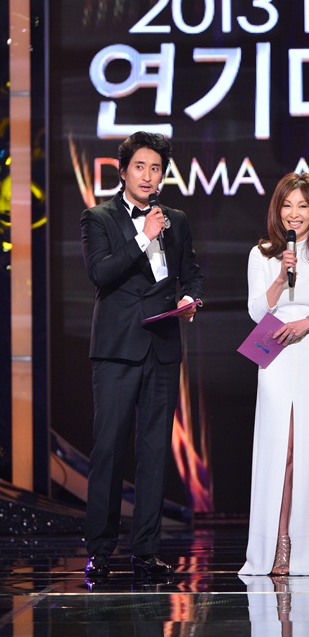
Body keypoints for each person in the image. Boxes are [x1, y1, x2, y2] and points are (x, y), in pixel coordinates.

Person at [81, 131, 204, 580]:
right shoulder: (98, 217)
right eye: (140, 167)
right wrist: (142, 237)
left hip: (162, 346)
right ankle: (100, 550)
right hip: (117, 350)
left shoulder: (177, 219)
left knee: (154, 452)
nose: (148, 176)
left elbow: (191, 273)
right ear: (123, 171)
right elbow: (101, 273)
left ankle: (146, 552)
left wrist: (190, 298)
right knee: (109, 450)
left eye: (156, 169)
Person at [239, 172, 309, 577]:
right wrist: (278, 277)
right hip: (276, 355)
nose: (294, 214)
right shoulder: (262, 254)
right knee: (282, 451)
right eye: (287, 205)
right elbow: (256, 312)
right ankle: (279, 541)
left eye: (302, 206)